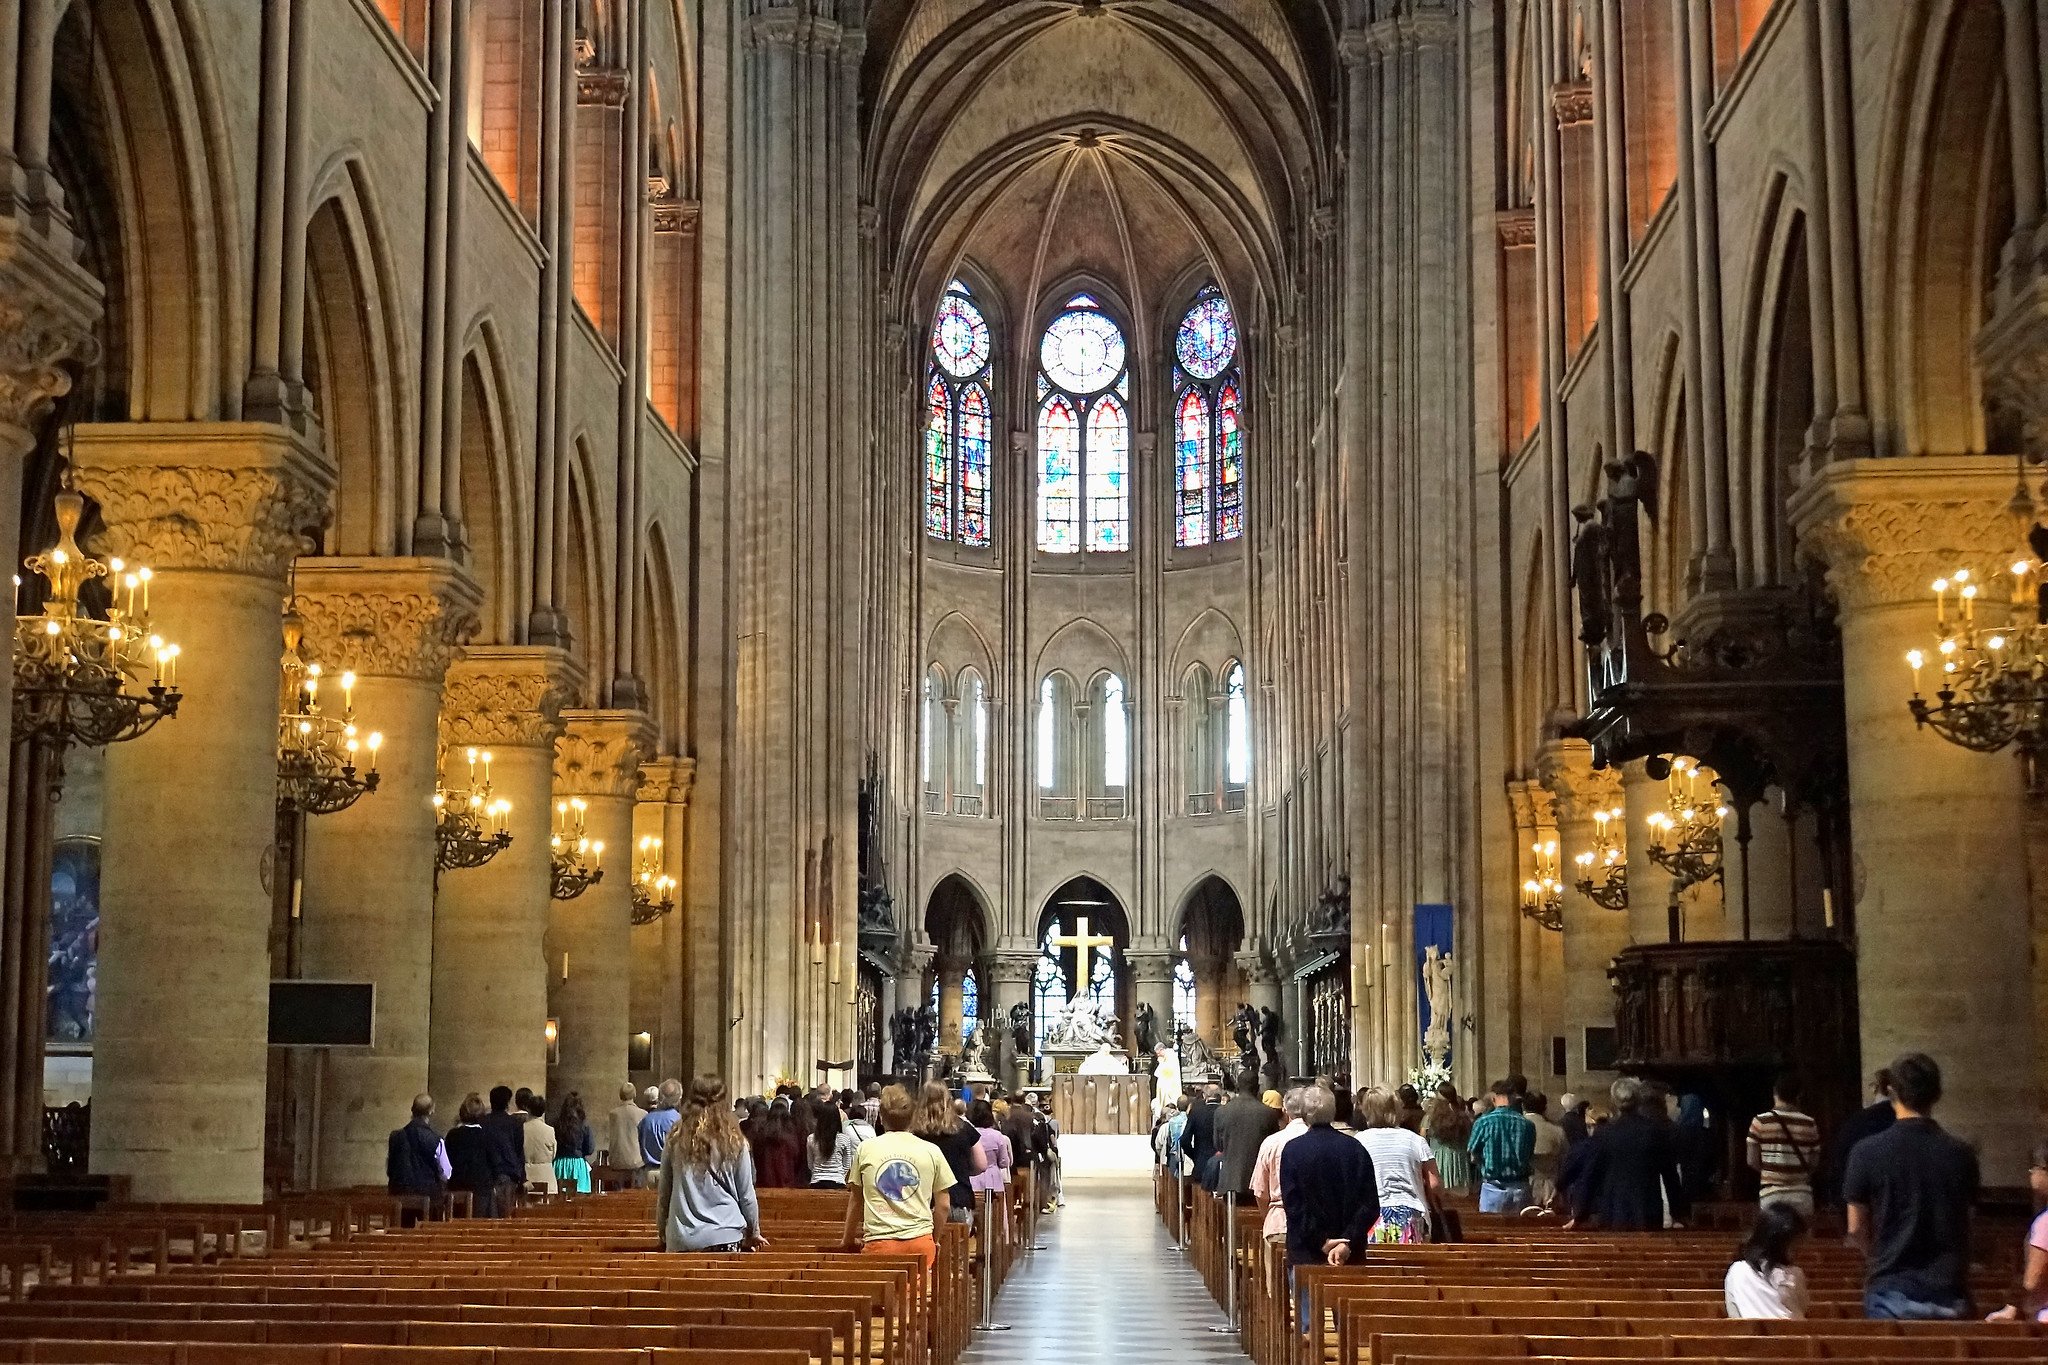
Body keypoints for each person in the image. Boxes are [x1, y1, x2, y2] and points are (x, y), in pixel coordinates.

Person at [1843, 1052, 1979, 1320]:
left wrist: (1878, 1256)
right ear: (1937, 1094)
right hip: (1949, 1289)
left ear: (1891, 1091)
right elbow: (1968, 1222)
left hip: (1891, 1288)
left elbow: (1856, 1227)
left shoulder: (1866, 1152)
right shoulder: (1961, 1154)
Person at [1279, 1085, 1380, 1332]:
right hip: (1349, 1255)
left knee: (1309, 1329)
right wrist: (1346, 1241)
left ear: (1303, 1114)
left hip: (1306, 1253)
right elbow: (1370, 1204)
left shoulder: (1293, 1151)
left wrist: (1322, 1241)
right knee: (1348, 1330)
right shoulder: (1355, 1149)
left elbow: (1294, 1206)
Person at [844, 1082, 951, 1271]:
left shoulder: (866, 1149)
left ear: (882, 1118)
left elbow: (856, 1200)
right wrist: (933, 1239)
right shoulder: (931, 1151)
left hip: (880, 1243)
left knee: (881, 1299)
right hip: (920, 1242)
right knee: (917, 1299)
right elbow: (943, 1205)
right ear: (912, 1118)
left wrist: (847, 1240)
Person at [655, 1074, 766, 1253]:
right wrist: (754, 1231)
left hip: (683, 1236)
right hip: (725, 1234)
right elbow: (746, 1194)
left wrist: (662, 1230)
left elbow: (664, 1192)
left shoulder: (676, 1139)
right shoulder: (735, 1141)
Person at [1568, 1076, 1687, 1231]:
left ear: (1614, 1101)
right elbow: (1670, 1174)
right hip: (1647, 1210)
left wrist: (1580, 1215)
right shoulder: (1654, 1132)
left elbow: (1591, 1175)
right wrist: (1678, 1214)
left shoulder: (1605, 1134)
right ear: (1638, 1100)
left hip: (1614, 1211)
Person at [1356, 1086, 1440, 1244]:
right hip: (1410, 1213)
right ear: (1396, 1109)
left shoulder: (1358, 1141)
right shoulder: (1415, 1140)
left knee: (1377, 1266)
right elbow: (1434, 1184)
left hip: (1372, 1214)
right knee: (1412, 1266)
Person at [1987, 1137, 2048, 1323]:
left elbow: (2032, 1280)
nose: (2032, 1176)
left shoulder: (2046, 1222)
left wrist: (2012, 1307)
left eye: (2034, 1169)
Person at [1746, 1073, 1823, 1218]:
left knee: (1774, 1239)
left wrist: (1772, 1172)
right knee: (1799, 1240)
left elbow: (1751, 1160)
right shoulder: (1809, 1123)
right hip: (1801, 1194)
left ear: (1775, 1093)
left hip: (1771, 1193)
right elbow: (1814, 1163)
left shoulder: (1760, 1121)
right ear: (1799, 1096)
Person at [912, 1081, 986, 1221]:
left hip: (922, 1201)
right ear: (948, 1099)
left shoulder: (914, 1130)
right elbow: (981, 1164)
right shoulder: (963, 1127)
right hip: (958, 1197)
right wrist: (962, 1169)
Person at [1724, 1200, 1810, 1319]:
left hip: (1750, 1336)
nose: (1799, 1249)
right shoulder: (1794, 1275)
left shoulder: (1736, 1271)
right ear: (1779, 1242)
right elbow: (1803, 1314)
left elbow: (1734, 1317)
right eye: (1795, 1244)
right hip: (1790, 1335)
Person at [1826, 1069, 1896, 1208]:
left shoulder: (1857, 1121)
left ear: (1874, 1088)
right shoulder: (1904, 1120)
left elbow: (1841, 1160)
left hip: (1865, 1199)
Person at [1250, 1088, 1308, 1250]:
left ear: (1285, 1111)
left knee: (1275, 1275)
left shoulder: (1272, 1142)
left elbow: (1260, 1191)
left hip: (1279, 1223)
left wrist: (1268, 1216)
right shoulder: (1319, 1141)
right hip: (1314, 1226)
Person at [1467, 1079, 1535, 1213]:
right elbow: (1529, 1154)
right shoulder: (1527, 1125)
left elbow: (1473, 1153)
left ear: (1494, 1098)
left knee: (1491, 1231)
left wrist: (1484, 1163)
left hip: (1493, 1186)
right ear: (1514, 1098)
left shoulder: (1483, 1122)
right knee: (1521, 1232)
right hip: (1520, 1187)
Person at [1215, 1068, 1283, 1197]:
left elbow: (1218, 1145)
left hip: (1230, 1181)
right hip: (1259, 1181)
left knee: (1231, 1216)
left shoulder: (1222, 1111)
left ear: (1238, 1086)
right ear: (1257, 1087)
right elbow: (1273, 1149)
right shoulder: (1268, 1113)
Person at [443, 1093, 503, 1216]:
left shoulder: (452, 1135)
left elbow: (446, 1163)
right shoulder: (487, 1135)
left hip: (457, 1189)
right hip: (481, 1191)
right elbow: (496, 1164)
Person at [386, 1093, 450, 1203]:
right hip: (428, 1198)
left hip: (400, 1197)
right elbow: (446, 1172)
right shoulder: (435, 1139)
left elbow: (390, 1169)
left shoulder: (395, 1136)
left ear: (412, 1109)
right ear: (431, 1111)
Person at [480, 1085, 528, 1215]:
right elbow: (519, 1151)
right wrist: (522, 1178)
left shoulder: (482, 1122)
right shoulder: (514, 1123)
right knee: (505, 1213)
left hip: (486, 1173)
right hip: (507, 1172)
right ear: (507, 1103)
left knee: (487, 1215)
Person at [749, 1097, 809, 1188]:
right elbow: (798, 1162)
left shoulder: (761, 1137)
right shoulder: (793, 1138)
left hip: (764, 1183)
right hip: (789, 1184)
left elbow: (757, 1159)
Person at [1423, 1082, 1472, 1193]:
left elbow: (1422, 1138)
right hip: (1459, 1162)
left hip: (1438, 1161)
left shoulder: (1430, 1118)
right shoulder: (1463, 1117)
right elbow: (1469, 1138)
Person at [805, 1096, 861, 1190]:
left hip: (816, 1182)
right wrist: (839, 1175)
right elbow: (847, 1164)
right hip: (838, 1182)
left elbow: (810, 1164)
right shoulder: (844, 1139)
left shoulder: (811, 1138)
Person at [1180, 1083, 1224, 1192]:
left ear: (1204, 1096)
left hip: (1201, 1162)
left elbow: (1184, 1140)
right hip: (1223, 1166)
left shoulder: (1196, 1112)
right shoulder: (1226, 1112)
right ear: (1220, 1096)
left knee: (1201, 1201)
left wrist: (1195, 1155)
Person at [1525, 1093, 1566, 1208]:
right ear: (1544, 1108)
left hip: (1524, 1186)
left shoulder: (1516, 1128)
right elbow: (1565, 1158)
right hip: (1551, 1187)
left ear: (1524, 1107)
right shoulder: (1557, 1131)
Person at [969, 1099, 1013, 1204]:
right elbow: (1004, 1162)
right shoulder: (997, 1135)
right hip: (993, 1178)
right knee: (996, 1213)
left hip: (973, 1178)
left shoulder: (969, 1133)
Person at [607, 1083, 649, 1186]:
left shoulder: (613, 1114)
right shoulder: (643, 1114)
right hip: (636, 1162)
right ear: (634, 1095)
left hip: (617, 1161)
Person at [553, 1093, 595, 1193]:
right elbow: (590, 1148)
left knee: (558, 1197)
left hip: (560, 1164)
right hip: (578, 1165)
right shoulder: (584, 1125)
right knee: (580, 1198)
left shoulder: (556, 1124)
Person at [639, 1079, 684, 1169]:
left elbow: (640, 1144)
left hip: (649, 1170)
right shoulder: (678, 1120)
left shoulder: (646, 1119)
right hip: (671, 1171)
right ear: (679, 1098)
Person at [522, 1091, 558, 1193]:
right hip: (546, 1175)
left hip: (527, 1175)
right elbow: (553, 1154)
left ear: (528, 1109)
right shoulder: (549, 1130)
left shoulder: (522, 1129)